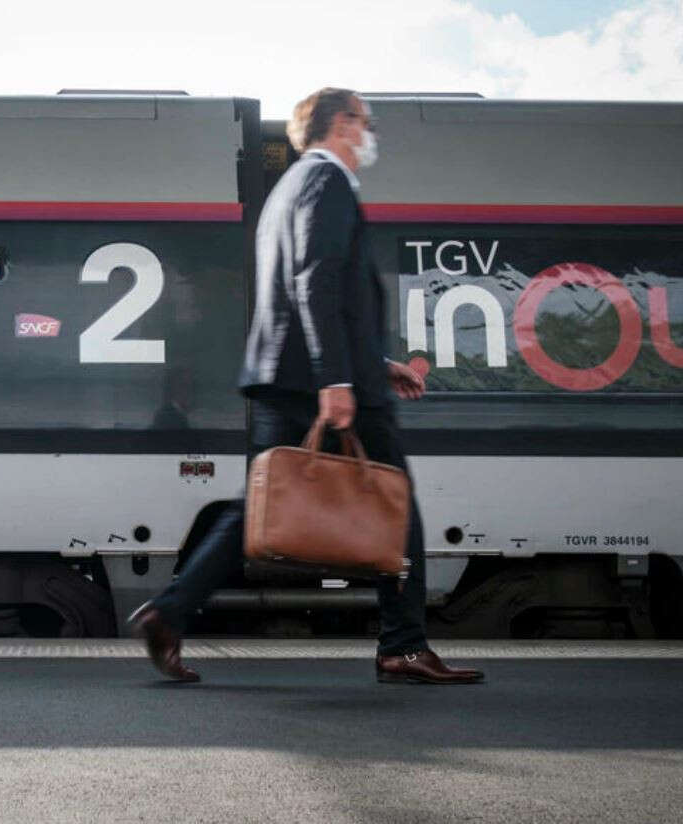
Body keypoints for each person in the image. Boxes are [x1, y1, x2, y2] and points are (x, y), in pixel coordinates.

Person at [129, 88, 484, 685]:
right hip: (326, 384)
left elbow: (316, 293)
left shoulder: (286, 190)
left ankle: (168, 612)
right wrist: (339, 378)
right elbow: (315, 281)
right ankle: (403, 645)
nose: (367, 134)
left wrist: (375, 359)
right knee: (395, 506)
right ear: (337, 125)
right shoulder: (327, 183)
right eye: (361, 121)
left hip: (286, 378)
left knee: (262, 508)